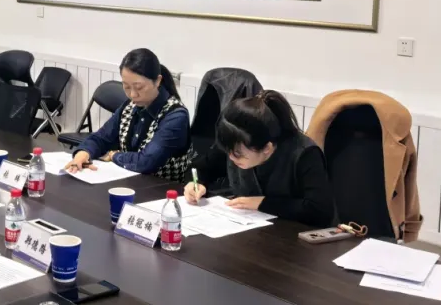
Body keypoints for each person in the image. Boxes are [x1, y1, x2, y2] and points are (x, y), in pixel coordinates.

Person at [184, 90, 333, 226]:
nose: (230, 157)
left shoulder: (304, 154)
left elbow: (319, 211)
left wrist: (262, 203)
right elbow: (199, 167)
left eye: (238, 154)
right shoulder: (236, 142)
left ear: (267, 148)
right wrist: (195, 184)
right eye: (228, 151)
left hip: (291, 236)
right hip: (248, 230)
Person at [65, 48, 193, 180]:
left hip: (161, 188)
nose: (132, 94)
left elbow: (147, 161)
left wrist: (114, 156)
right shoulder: (129, 106)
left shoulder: (175, 115)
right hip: (128, 182)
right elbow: (101, 138)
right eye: (126, 87)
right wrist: (83, 153)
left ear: (158, 81)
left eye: (139, 87)